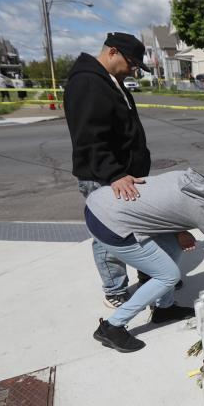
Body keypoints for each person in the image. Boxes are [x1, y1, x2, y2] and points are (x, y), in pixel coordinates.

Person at [85, 152, 204, 353]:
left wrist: (179, 231)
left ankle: (164, 308)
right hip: (110, 225)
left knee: (175, 245)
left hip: (100, 205)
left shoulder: (188, 179)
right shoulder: (202, 207)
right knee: (168, 276)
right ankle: (112, 326)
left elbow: (165, 204)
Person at [64, 32, 157, 310]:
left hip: (125, 175)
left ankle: (148, 276)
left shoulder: (110, 81)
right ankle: (115, 289)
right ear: (113, 52)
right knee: (110, 235)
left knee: (138, 229)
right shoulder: (88, 83)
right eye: (131, 64)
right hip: (105, 178)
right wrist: (114, 174)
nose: (133, 70)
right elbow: (89, 137)